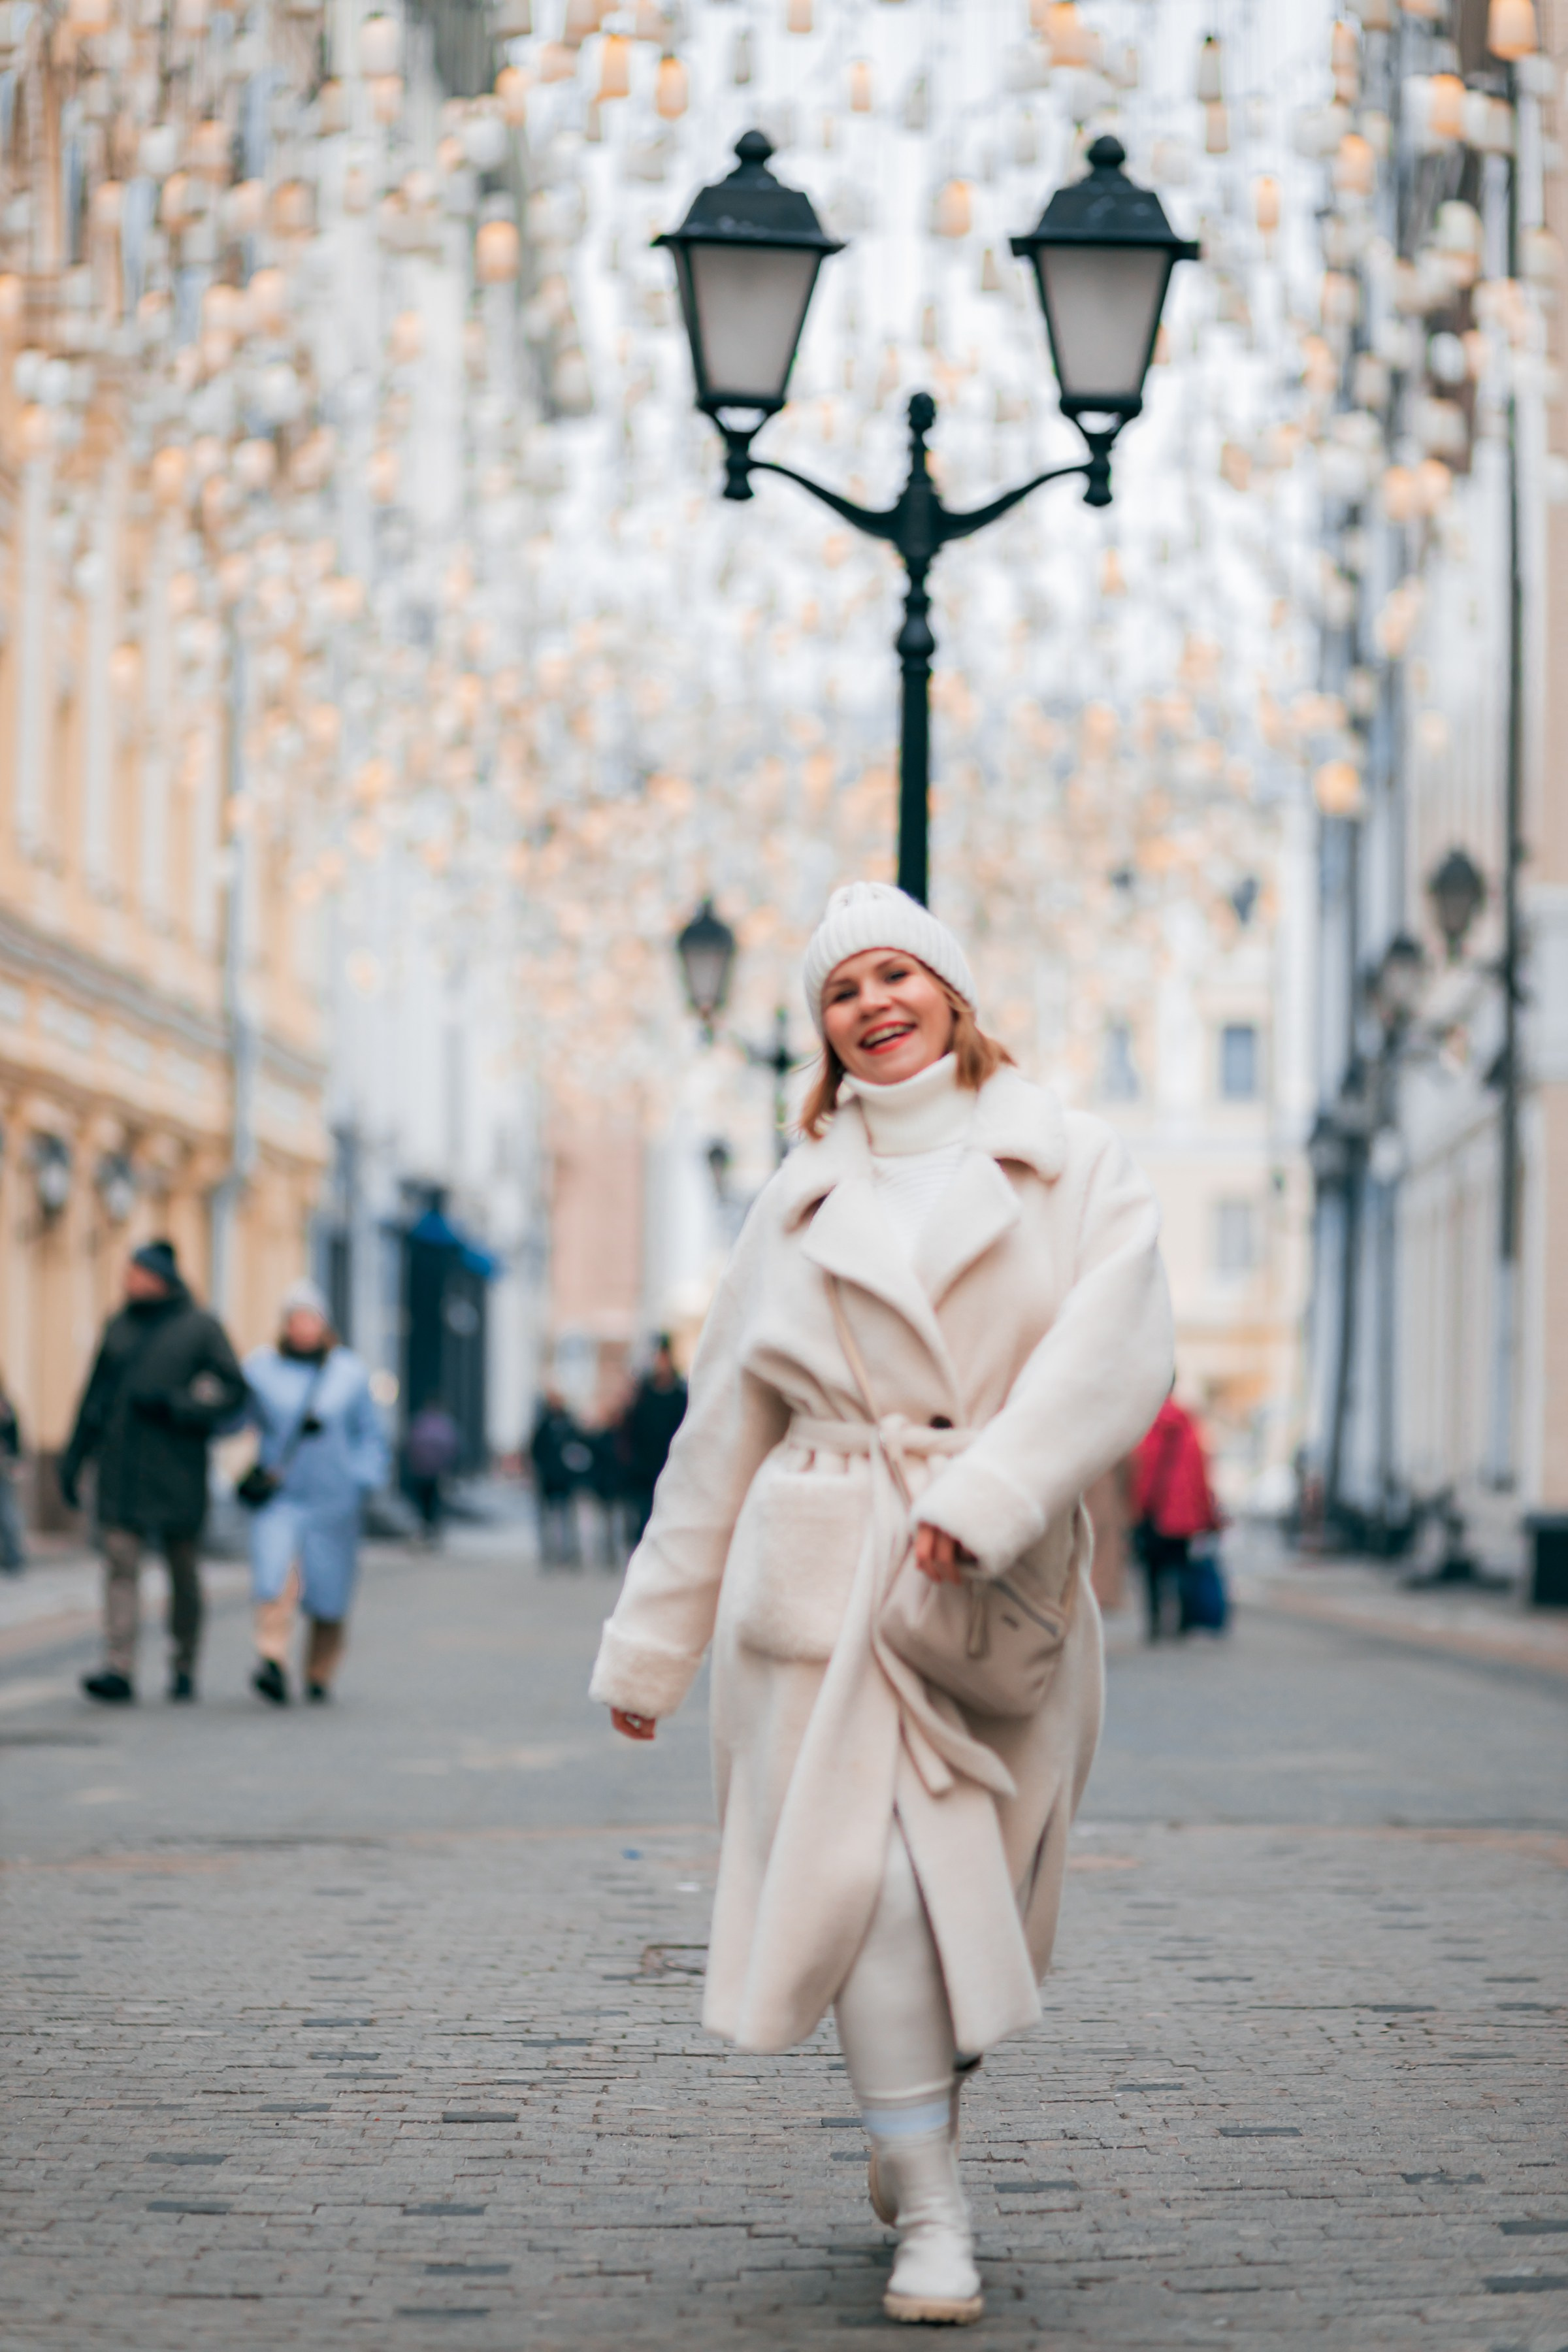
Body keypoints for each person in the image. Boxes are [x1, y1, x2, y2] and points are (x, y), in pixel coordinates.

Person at [590, 882, 1172, 2325]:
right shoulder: (794, 1200)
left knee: (994, 1909)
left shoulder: (1071, 1158)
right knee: (885, 1894)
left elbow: (1117, 1352)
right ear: (823, 1031)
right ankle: (935, 2210)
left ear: (954, 994)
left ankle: (919, 2108)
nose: (872, 1006)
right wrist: (651, 1645)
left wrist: (987, 1501)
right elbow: (717, 1429)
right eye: (842, 991)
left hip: (995, 1585)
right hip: (821, 1584)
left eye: (896, 975)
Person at [59, 1238, 247, 1705]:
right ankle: (118, 1666)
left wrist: (178, 1406)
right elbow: (94, 1396)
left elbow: (234, 1392)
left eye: (137, 1272)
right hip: (121, 1468)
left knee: (183, 1572)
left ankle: (184, 1662)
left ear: (160, 1278)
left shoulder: (200, 1328)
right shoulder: (119, 1325)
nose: (128, 1281)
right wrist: (74, 1457)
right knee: (121, 1565)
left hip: (176, 1471)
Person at [242, 1279, 388, 1705]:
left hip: (333, 1497)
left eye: (310, 1319)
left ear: (324, 1324)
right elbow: (235, 1416)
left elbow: (369, 1435)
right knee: (274, 1577)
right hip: (281, 1493)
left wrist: (363, 1479)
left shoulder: (349, 1374)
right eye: (295, 1319)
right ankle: (272, 1660)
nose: (302, 1327)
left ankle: (319, 1672)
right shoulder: (261, 1370)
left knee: (330, 1591)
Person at [1131, 1386, 1222, 1641]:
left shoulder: (1145, 1426)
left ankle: (1155, 1625)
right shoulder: (1190, 1428)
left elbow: (1142, 1474)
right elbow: (1201, 1478)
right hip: (1184, 1518)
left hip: (1152, 1512)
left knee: (1152, 1571)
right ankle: (1182, 1624)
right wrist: (1207, 1514)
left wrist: (1138, 1508)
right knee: (1180, 1568)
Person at [619, 1336, 688, 1548]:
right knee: (642, 1519)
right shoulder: (643, 1394)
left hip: (670, 1468)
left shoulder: (680, 1394)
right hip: (643, 1471)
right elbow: (628, 1430)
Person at [529, 1388, 589, 1567]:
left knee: (568, 1518)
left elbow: (580, 1451)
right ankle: (549, 1554)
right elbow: (536, 1451)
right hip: (548, 1480)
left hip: (566, 1480)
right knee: (548, 1518)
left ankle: (569, 1554)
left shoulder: (570, 1425)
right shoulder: (544, 1425)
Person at [404, 1397, 461, 1543]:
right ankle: (430, 1529)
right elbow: (451, 1446)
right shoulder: (443, 1424)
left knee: (428, 1502)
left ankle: (429, 1529)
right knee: (432, 1501)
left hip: (425, 1470)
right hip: (432, 1470)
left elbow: (412, 1444)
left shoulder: (422, 1423)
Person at [0, 1371, 26, 1574]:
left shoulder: (4, 1406)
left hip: (3, 1465)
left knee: (7, 1511)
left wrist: (15, 1459)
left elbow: (14, 1434)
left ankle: (14, 1556)